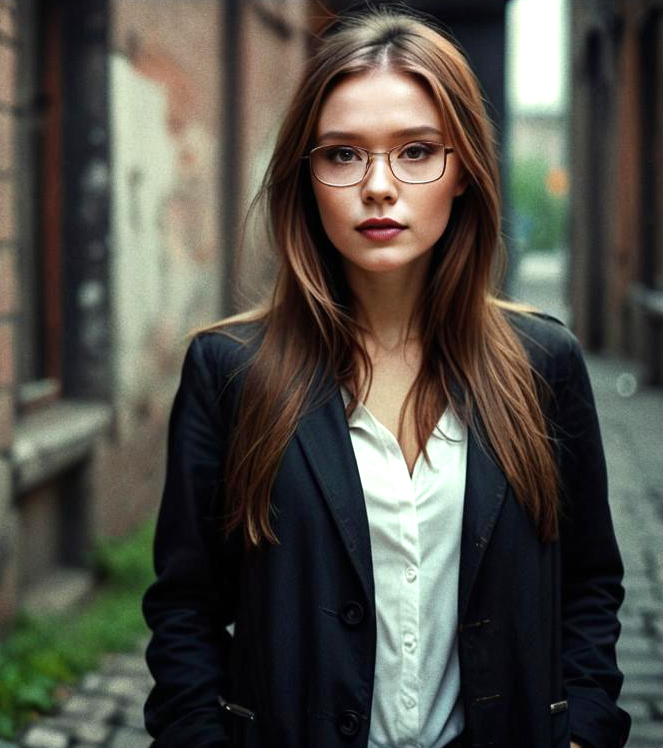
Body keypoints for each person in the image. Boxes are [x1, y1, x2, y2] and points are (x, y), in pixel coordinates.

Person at [140, 7, 630, 748]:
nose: (377, 185)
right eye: (341, 155)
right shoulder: (229, 372)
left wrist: (582, 731)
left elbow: (588, 586)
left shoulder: (541, 365)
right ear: (305, 177)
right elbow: (185, 607)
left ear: (462, 170)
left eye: (416, 151)